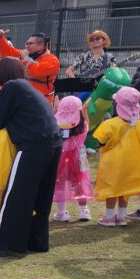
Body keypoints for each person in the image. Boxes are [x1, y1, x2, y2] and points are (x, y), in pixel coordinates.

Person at [0, 58, 62, 257]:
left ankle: (1, 245)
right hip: (53, 143)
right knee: (40, 196)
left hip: (33, 145)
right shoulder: (26, 88)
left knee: (16, 195)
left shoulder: (11, 88)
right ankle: (36, 242)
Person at [92, 86, 140, 227]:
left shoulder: (109, 124)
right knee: (125, 189)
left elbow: (100, 141)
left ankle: (109, 218)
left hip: (112, 163)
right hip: (132, 161)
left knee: (112, 189)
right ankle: (122, 217)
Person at [52, 95, 93, 223]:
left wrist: (55, 110)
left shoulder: (54, 126)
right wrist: (84, 111)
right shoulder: (82, 127)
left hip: (60, 158)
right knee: (79, 182)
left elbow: (52, 121)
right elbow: (87, 123)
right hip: (78, 159)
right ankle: (83, 211)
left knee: (60, 183)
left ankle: (61, 212)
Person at [0, 29, 61, 102]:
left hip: (42, 100)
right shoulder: (27, 54)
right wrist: (0, 38)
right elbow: (8, 51)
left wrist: (26, 59)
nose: (27, 46)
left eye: (30, 43)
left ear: (41, 45)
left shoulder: (52, 60)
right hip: (24, 97)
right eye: (26, 43)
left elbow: (34, 73)